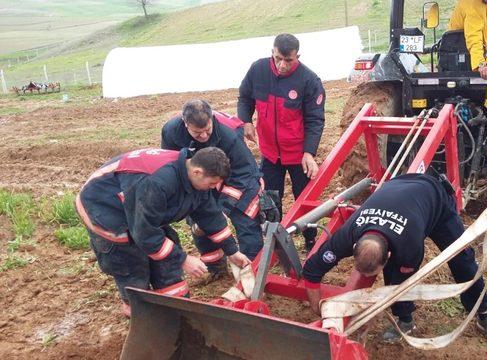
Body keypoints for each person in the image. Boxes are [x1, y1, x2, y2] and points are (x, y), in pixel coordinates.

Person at [302, 173, 487, 345]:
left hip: (434, 198)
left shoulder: (409, 246)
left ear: (389, 255)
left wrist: (368, 315)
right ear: (353, 247)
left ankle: (483, 313)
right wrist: (317, 309)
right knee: (393, 274)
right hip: (398, 188)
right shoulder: (347, 234)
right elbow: (312, 269)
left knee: (462, 259)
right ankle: (405, 320)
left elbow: (401, 284)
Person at [76, 147, 252, 317]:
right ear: (198, 172)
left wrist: (232, 251)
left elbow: (209, 215)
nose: (214, 187)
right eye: (212, 183)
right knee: (132, 266)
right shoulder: (157, 182)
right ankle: (138, 315)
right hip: (105, 210)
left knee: (166, 262)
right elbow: (144, 233)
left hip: (140, 209)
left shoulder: (194, 180)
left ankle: (176, 313)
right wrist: (183, 259)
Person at [237, 33, 326, 250]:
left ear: (298, 56)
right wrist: (246, 121)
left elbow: (315, 120)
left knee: (304, 199)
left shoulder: (309, 81)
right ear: (272, 52)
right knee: (269, 198)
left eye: (289, 60)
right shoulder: (258, 70)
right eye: (278, 58)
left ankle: (310, 240)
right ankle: (275, 242)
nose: (282, 65)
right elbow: (245, 97)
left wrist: (309, 153)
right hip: (269, 153)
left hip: (298, 154)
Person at [162, 100, 269, 277]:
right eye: (197, 132)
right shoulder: (171, 131)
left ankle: (252, 269)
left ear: (212, 119)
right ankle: (215, 269)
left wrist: (222, 209)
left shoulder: (230, 135)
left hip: (237, 176)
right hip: (200, 176)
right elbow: (172, 163)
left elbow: (244, 172)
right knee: (200, 221)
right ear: (185, 123)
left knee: (245, 217)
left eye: (207, 130)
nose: (204, 136)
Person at [447, 0, 487, 79]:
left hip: (459, 49)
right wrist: (481, 65)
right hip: (459, 54)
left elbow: (477, 23)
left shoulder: (481, 3)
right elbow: (473, 38)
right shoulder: (473, 4)